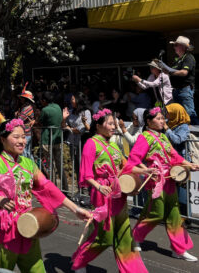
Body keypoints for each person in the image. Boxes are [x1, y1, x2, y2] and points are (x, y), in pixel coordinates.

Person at [0, 119, 91, 272]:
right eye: (16, 137)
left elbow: (48, 188)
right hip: (5, 229)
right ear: (3, 139)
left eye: (23, 137)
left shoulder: (29, 163)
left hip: (29, 226)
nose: (21, 141)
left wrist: (75, 209)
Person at [71, 109, 150, 273]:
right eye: (110, 123)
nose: (114, 126)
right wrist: (99, 186)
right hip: (102, 194)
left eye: (114, 123)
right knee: (104, 237)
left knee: (124, 235)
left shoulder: (113, 145)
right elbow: (86, 174)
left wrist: (145, 171)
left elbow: (126, 166)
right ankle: (79, 261)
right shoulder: (91, 143)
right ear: (98, 126)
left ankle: (132, 270)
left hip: (118, 194)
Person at [126, 107, 199, 261]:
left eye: (162, 118)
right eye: (158, 119)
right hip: (155, 182)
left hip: (169, 180)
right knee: (156, 213)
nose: (162, 121)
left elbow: (174, 156)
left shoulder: (164, 137)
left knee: (174, 214)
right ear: (148, 121)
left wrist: (189, 164)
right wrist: (147, 170)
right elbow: (134, 160)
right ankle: (135, 236)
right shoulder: (144, 137)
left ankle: (178, 249)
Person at [160, 36, 198, 124]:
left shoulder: (188, 57)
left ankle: (196, 134)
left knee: (189, 112)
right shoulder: (178, 60)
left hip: (184, 89)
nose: (174, 47)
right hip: (177, 90)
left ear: (183, 46)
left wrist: (169, 72)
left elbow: (184, 72)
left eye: (176, 45)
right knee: (179, 113)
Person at [163, 103, 191, 215]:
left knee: (182, 189)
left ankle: (185, 216)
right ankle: (174, 214)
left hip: (182, 161)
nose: (167, 116)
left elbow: (178, 140)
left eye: (169, 113)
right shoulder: (171, 124)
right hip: (172, 161)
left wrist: (167, 130)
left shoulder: (183, 127)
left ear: (176, 114)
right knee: (173, 189)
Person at [38, 92, 67, 189]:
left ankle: (52, 189)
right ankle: (65, 187)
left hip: (47, 139)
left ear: (44, 101)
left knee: (50, 166)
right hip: (58, 138)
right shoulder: (58, 107)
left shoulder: (45, 110)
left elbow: (40, 122)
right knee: (59, 164)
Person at [16, 85, 35, 159]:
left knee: (25, 152)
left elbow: (20, 120)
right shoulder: (26, 107)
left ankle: (29, 168)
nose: (20, 99)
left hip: (26, 133)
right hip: (27, 133)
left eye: (22, 98)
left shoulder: (27, 108)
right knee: (27, 152)